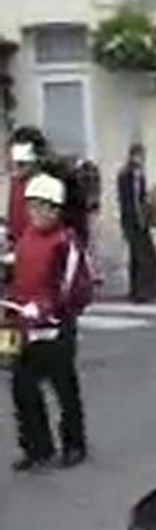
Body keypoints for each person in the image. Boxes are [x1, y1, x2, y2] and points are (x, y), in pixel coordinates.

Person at [9, 171, 94, 471]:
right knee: (23, 388)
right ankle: (37, 447)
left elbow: (72, 286)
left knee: (63, 387)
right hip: (26, 326)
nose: (37, 213)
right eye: (32, 206)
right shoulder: (25, 239)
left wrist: (47, 308)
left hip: (56, 326)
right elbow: (18, 275)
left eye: (44, 207)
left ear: (57, 209)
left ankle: (74, 444)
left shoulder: (66, 241)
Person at [117, 144, 156, 302]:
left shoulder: (138, 175)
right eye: (140, 155)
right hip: (134, 222)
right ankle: (144, 291)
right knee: (145, 257)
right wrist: (140, 219)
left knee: (137, 257)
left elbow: (139, 198)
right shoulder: (128, 175)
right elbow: (130, 202)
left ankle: (138, 291)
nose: (142, 159)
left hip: (137, 221)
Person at [6, 126, 47, 247]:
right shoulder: (16, 181)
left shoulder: (47, 191)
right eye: (13, 162)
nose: (15, 169)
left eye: (22, 164)